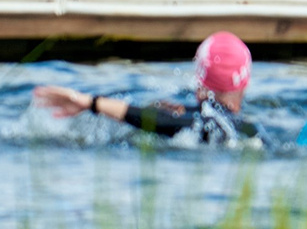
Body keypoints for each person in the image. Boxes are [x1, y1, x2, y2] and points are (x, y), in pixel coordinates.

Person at [30, 32, 259, 146]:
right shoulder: (248, 129)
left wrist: (91, 103)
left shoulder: (208, 123)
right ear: (245, 82)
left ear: (200, 82)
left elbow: (160, 122)